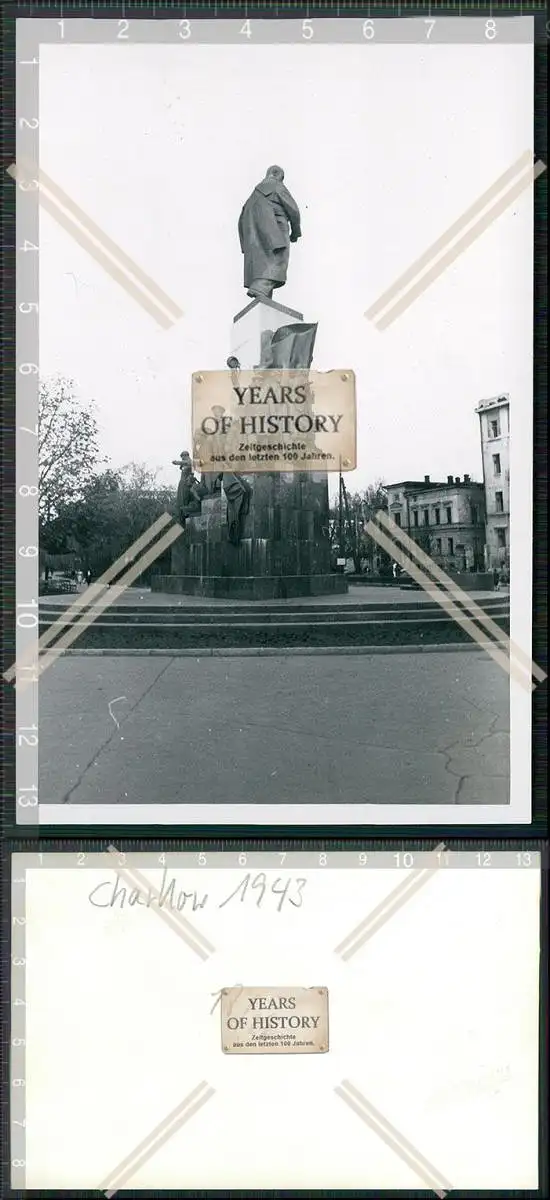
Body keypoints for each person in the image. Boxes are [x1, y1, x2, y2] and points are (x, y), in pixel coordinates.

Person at [238, 165, 301, 300]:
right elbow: (293, 210)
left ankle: (265, 299)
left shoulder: (252, 197)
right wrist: (296, 232)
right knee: (279, 261)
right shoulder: (276, 186)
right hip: (276, 229)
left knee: (264, 264)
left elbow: (241, 220)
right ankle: (259, 288)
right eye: (281, 178)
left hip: (256, 236)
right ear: (276, 174)